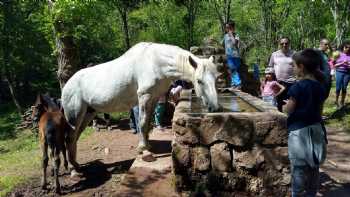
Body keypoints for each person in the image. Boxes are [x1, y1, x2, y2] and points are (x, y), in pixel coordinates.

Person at [283, 49, 327, 197]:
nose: (293, 68)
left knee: (299, 168)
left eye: (294, 66)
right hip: (316, 130)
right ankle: (311, 193)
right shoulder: (320, 87)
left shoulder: (297, 87)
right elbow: (320, 112)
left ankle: (297, 193)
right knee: (314, 166)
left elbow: (289, 110)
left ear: (301, 67)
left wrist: (284, 106)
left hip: (298, 133)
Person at [268, 37, 296, 112]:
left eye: (286, 43)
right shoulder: (274, 54)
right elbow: (270, 67)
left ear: (289, 44)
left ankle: (291, 119)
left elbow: (298, 67)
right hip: (278, 82)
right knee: (278, 102)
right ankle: (280, 120)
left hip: (291, 82)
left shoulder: (294, 54)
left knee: (291, 102)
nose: (284, 45)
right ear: (279, 44)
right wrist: (269, 80)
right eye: (282, 43)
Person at [223, 21, 241, 89]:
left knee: (234, 69)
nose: (227, 29)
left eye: (229, 28)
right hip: (229, 55)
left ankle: (238, 84)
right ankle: (235, 84)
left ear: (233, 28)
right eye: (227, 28)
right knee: (231, 69)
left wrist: (231, 35)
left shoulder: (236, 35)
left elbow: (234, 43)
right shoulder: (225, 36)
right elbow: (223, 45)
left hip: (236, 55)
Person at [334, 40, 350, 108]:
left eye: (349, 47)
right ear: (343, 47)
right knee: (338, 88)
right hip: (339, 72)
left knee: (344, 88)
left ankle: (342, 102)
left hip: (347, 73)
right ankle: (336, 101)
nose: (347, 48)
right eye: (346, 47)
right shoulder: (338, 54)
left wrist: (348, 64)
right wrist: (342, 63)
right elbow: (334, 65)